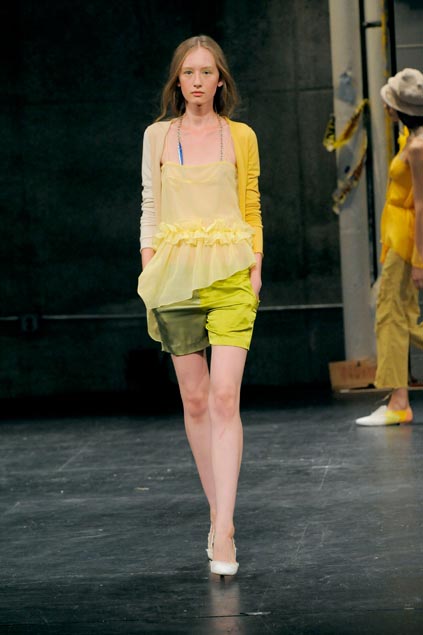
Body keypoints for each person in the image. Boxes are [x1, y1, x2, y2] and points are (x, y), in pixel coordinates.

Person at [137, 35, 263, 575]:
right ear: (177, 80)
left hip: (231, 273)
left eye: (206, 72)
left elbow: (251, 203)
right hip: (174, 278)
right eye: (188, 72)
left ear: (220, 80)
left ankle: (226, 529)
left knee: (225, 395)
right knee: (194, 400)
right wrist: (149, 266)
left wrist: (256, 267)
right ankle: (216, 515)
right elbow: (150, 204)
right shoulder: (158, 136)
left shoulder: (241, 136)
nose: (196, 81)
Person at [356, 68, 423, 426]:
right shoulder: (411, 137)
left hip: (407, 240)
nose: (386, 106)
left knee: (391, 314)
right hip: (399, 235)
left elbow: (422, 205)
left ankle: (398, 402)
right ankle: (398, 400)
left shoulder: (418, 146)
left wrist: (420, 260)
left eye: (391, 103)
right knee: (398, 315)